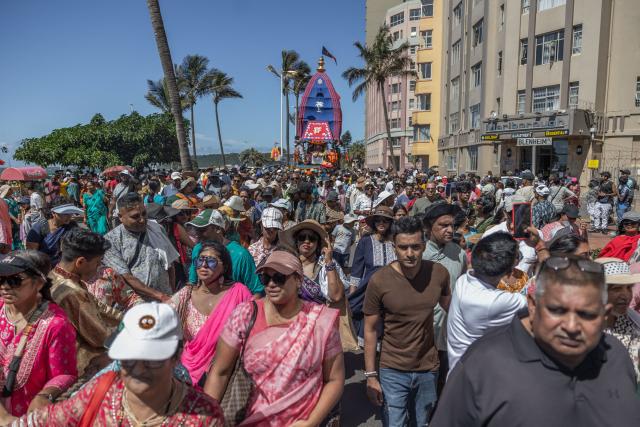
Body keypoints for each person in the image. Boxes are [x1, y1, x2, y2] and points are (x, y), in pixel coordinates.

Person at [432, 255, 640, 426]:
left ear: (605, 314)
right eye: (557, 311)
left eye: (587, 314)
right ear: (532, 305)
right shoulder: (484, 364)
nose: (571, 326)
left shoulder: (615, 356)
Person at [7, 302, 225, 426]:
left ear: (176, 358)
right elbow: (43, 422)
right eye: (128, 358)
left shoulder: (205, 416)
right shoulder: (104, 389)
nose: (138, 369)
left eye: (152, 360)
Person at [204, 250, 344, 426]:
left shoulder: (321, 321)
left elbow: (334, 379)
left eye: (279, 278)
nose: (271, 284)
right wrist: (206, 416)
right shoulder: (245, 314)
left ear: (298, 280)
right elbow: (220, 372)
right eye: (265, 278)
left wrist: (310, 422)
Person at [363, 216, 451, 426]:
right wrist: (371, 376)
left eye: (415, 247)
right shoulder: (379, 281)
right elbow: (370, 330)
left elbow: (454, 312)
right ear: (394, 247)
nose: (410, 254)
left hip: (428, 368)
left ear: (424, 245)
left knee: (423, 423)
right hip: (392, 368)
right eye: (403, 247)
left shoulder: (439, 274)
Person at [0, 252, 77, 419]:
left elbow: (64, 373)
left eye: (15, 281)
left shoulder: (56, 324)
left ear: (39, 283)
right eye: (0, 279)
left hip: (22, 417)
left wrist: (45, 395)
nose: (5, 286)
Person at [170, 240, 252, 386]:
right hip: (187, 372)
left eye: (211, 261)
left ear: (224, 267)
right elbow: (161, 316)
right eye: (200, 260)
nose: (204, 265)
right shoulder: (186, 294)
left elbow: (251, 332)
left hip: (226, 374)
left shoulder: (239, 293)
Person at [447, 232, 527, 372]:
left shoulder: (464, 281)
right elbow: (542, 305)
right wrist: (540, 247)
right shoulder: (495, 302)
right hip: (480, 384)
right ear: (509, 272)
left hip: (460, 377)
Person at [49, 228, 118, 378]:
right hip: (81, 365)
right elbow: (100, 336)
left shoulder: (55, 275)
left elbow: (100, 308)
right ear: (80, 262)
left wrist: (127, 318)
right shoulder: (71, 291)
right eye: (98, 263)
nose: (99, 268)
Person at [421, 202, 467, 388]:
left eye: (453, 226)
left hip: (450, 331)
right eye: (444, 225)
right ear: (429, 227)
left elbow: (462, 287)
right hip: (423, 330)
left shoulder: (460, 254)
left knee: (445, 381)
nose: (450, 230)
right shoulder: (419, 254)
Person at [104, 193, 179, 302]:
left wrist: (171, 292)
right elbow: (126, 277)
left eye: (144, 214)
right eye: (135, 216)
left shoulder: (157, 229)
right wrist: (160, 296)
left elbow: (170, 264)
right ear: (120, 217)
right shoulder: (111, 241)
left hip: (166, 299)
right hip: (138, 305)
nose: (142, 220)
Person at [187, 209, 264, 294]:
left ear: (218, 229)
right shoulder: (197, 250)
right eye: (196, 230)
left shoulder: (240, 255)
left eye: (202, 230)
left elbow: (257, 292)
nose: (197, 234)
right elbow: (193, 283)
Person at [348, 205, 397, 340]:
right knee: (371, 327)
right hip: (370, 291)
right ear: (374, 223)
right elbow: (356, 272)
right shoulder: (365, 241)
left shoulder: (397, 241)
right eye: (378, 220)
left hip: (394, 291)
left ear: (391, 223)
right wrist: (353, 297)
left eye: (385, 220)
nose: (381, 223)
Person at [281, 220, 348, 304]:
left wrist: (329, 262)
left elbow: (336, 296)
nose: (306, 241)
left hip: (319, 315)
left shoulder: (325, 264)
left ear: (318, 243)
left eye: (312, 238)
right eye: (302, 237)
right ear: (296, 241)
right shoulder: (287, 263)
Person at [596, 258, 640, 380]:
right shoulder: (583, 327)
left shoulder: (633, 323)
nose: (626, 295)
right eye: (616, 288)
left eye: (628, 288)